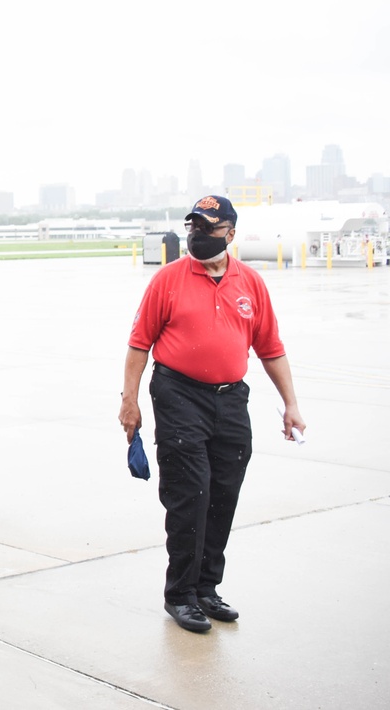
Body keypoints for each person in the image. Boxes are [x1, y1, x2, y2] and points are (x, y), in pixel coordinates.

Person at [118, 195, 306, 633]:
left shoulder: (251, 283)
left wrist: (291, 404)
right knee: (191, 494)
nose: (198, 236)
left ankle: (206, 587)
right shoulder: (168, 280)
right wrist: (130, 401)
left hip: (231, 399)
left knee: (223, 493)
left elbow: (270, 348)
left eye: (208, 229)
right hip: (178, 393)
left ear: (231, 234)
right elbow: (139, 344)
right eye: (194, 228)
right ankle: (180, 594)